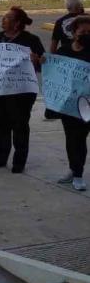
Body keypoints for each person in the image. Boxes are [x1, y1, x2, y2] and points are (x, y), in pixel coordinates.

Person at [0, 7, 45, 173]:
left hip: (22, 91)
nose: (3, 20)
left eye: (7, 18)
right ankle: (0, 157)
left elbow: (42, 65)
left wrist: (36, 60)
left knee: (20, 125)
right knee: (0, 123)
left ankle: (19, 161)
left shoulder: (31, 40)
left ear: (17, 23)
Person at [47, 15, 90, 191]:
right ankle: (76, 172)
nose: (86, 34)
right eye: (83, 32)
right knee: (73, 139)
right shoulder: (63, 51)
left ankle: (77, 171)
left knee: (81, 138)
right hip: (69, 105)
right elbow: (54, 72)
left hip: (88, 104)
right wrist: (43, 62)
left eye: (89, 32)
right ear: (73, 33)